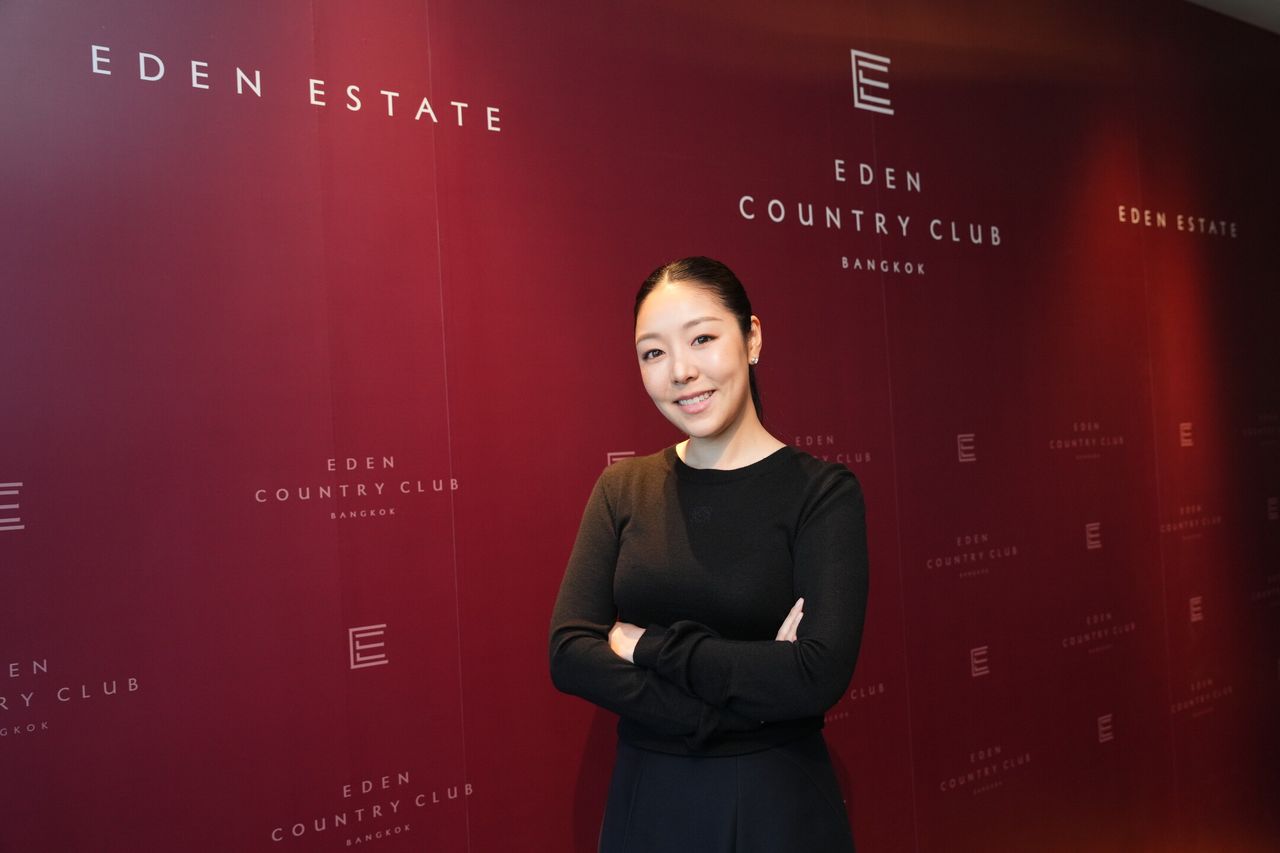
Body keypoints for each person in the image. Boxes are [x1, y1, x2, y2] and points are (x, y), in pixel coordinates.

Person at [548, 256, 870, 852]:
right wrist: (738, 698)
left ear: (752, 338)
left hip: (777, 801)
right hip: (648, 801)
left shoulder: (821, 493)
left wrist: (646, 647)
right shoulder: (623, 489)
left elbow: (815, 674)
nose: (681, 371)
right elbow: (569, 653)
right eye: (654, 352)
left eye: (702, 339)